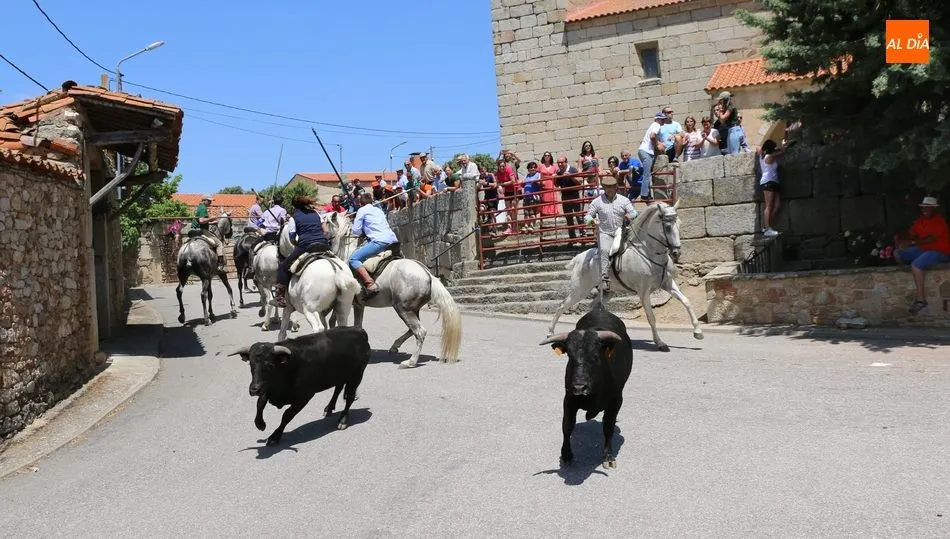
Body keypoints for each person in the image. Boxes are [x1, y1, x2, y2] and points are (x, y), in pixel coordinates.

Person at [894, 197, 950, 315]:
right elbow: (912, 234)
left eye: (927, 206)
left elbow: (931, 239)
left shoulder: (939, 221)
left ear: (934, 208)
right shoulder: (921, 220)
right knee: (898, 252)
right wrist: (901, 240)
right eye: (923, 207)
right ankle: (915, 271)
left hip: (940, 252)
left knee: (916, 265)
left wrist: (912, 243)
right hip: (924, 250)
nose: (925, 209)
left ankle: (921, 300)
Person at [273, 195, 331, 308]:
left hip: (306, 246)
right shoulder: (316, 214)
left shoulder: (293, 218)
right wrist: (321, 238)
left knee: (283, 266)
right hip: (323, 244)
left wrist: (297, 244)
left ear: (294, 207)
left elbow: (292, 238)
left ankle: (280, 296)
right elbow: (326, 230)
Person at [585, 175, 638, 294]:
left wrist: (630, 216)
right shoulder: (597, 202)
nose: (609, 189)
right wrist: (592, 221)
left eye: (612, 187)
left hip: (622, 231)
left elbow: (634, 212)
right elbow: (587, 216)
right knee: (604, 250)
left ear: (616, 187)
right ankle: (604, 277)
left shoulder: (624, 200)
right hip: (605, 233)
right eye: (607, 187)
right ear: (603, 187)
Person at [349, 192, 399, 298]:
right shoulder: (378, 210)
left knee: (353, 259)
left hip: (379, 241)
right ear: (371, 201)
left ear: (360, 203)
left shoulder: (361, 210)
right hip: (393, 240)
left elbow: (356, 231)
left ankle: (369, 283)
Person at [758, 139, 791, 238]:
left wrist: (776, 147)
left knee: (777, 205)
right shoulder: (770, 157)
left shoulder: (762, 155)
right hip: (768, 182)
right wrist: (783, 146)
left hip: (774, 181)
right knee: (769, 206)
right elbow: (783, 152)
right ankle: (768, 228)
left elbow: (759, 148)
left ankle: (767, 226)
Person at [190, 194, 227, 272]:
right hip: (202, 230)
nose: (211, 202)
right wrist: (211, 219)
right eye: (209, 201)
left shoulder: (199, 207)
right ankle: (220, 265)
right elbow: (201, 221)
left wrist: (211, 222)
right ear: (204, 200)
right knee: (219, 243)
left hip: (195, 229)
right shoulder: (203, 208)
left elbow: (199, 221)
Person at [637, 112, 665, 203]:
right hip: (646, 152)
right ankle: (644, 195)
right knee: (647, 174)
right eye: (662, 119)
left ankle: (647, 194)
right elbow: (652, 136)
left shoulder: (652, 125)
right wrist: (658, 144)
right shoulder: (657, 125)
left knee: (647, 173)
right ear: (657, 119)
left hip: (643, 151)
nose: (663, 121)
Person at [555, 156, 583, 241]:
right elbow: (557, 185)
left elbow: (579, 183)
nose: (560, 164)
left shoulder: (573, 170)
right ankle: (572, 238)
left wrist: (571, 176)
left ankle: (583, 235)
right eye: (558, 163)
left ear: (566, 162)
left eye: (562, 162)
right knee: (568, 218)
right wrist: (555, 178)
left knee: (579, 216)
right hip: (565, 197)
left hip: (574, 195)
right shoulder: (559, 172)